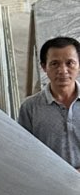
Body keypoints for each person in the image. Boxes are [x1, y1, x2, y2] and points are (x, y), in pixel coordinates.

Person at [18, 36, 80, 170]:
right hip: (47, 181)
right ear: (44, 67)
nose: (62, 70)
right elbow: (24, 152)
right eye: (55, 64)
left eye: (70, 63)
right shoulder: (30, 108)